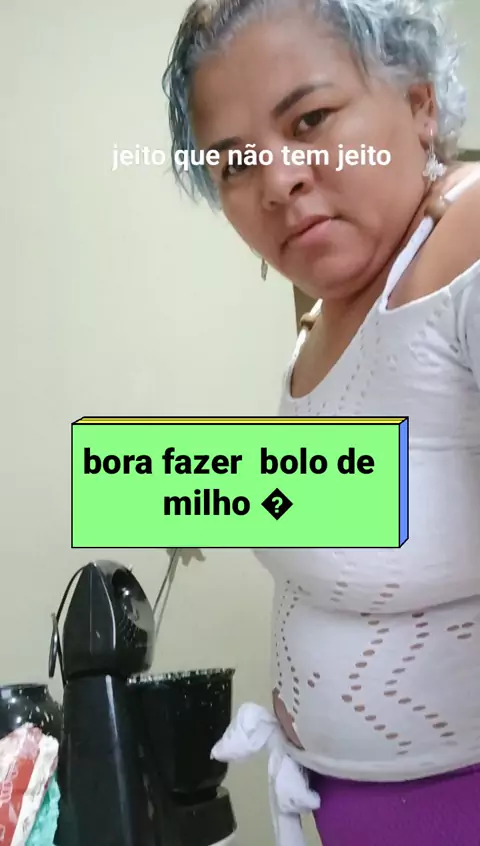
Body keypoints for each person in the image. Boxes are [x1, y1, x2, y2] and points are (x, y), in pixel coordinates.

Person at [162, 1, 480, 843]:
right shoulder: (326, 318)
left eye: (310, 120)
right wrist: (189, 489)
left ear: (419, 104)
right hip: (346, 807)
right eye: (234, 163)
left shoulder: (468, 242)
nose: (277, 182)